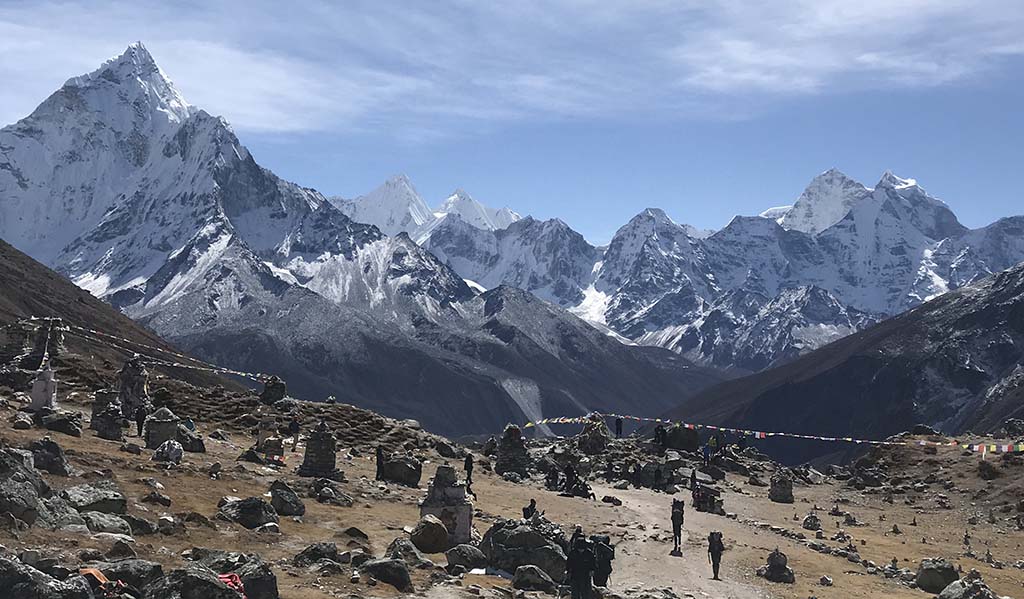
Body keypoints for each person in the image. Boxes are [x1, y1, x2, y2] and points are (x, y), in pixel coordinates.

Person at [566, 534, 595, 599]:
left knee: (586, 593)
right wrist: (568, 571)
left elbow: (593, 563)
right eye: (579, 549)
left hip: (586, 576)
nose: (581, 550)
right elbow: (568, 563)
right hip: (575, 576)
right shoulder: (573, 553)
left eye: (582, 549)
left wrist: (592, 570)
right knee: (575, 594)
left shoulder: (589, 553)